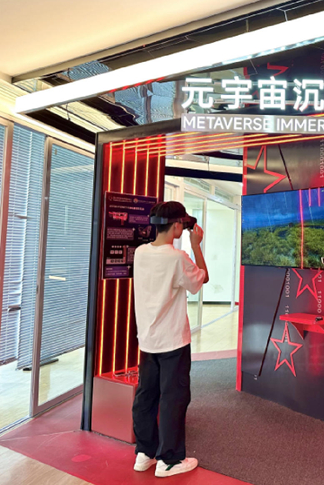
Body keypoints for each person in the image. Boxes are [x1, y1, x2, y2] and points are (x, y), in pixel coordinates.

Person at [131, 201, 209, 478]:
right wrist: (196, 246)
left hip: (148, 339)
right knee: (174, 399)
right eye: (182, 224)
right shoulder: (178, 258)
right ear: (177, 226)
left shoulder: (140, 253)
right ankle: (170, 460)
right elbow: (202, 280)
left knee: (146, 396)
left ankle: (145, 453)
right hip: (173, 341)